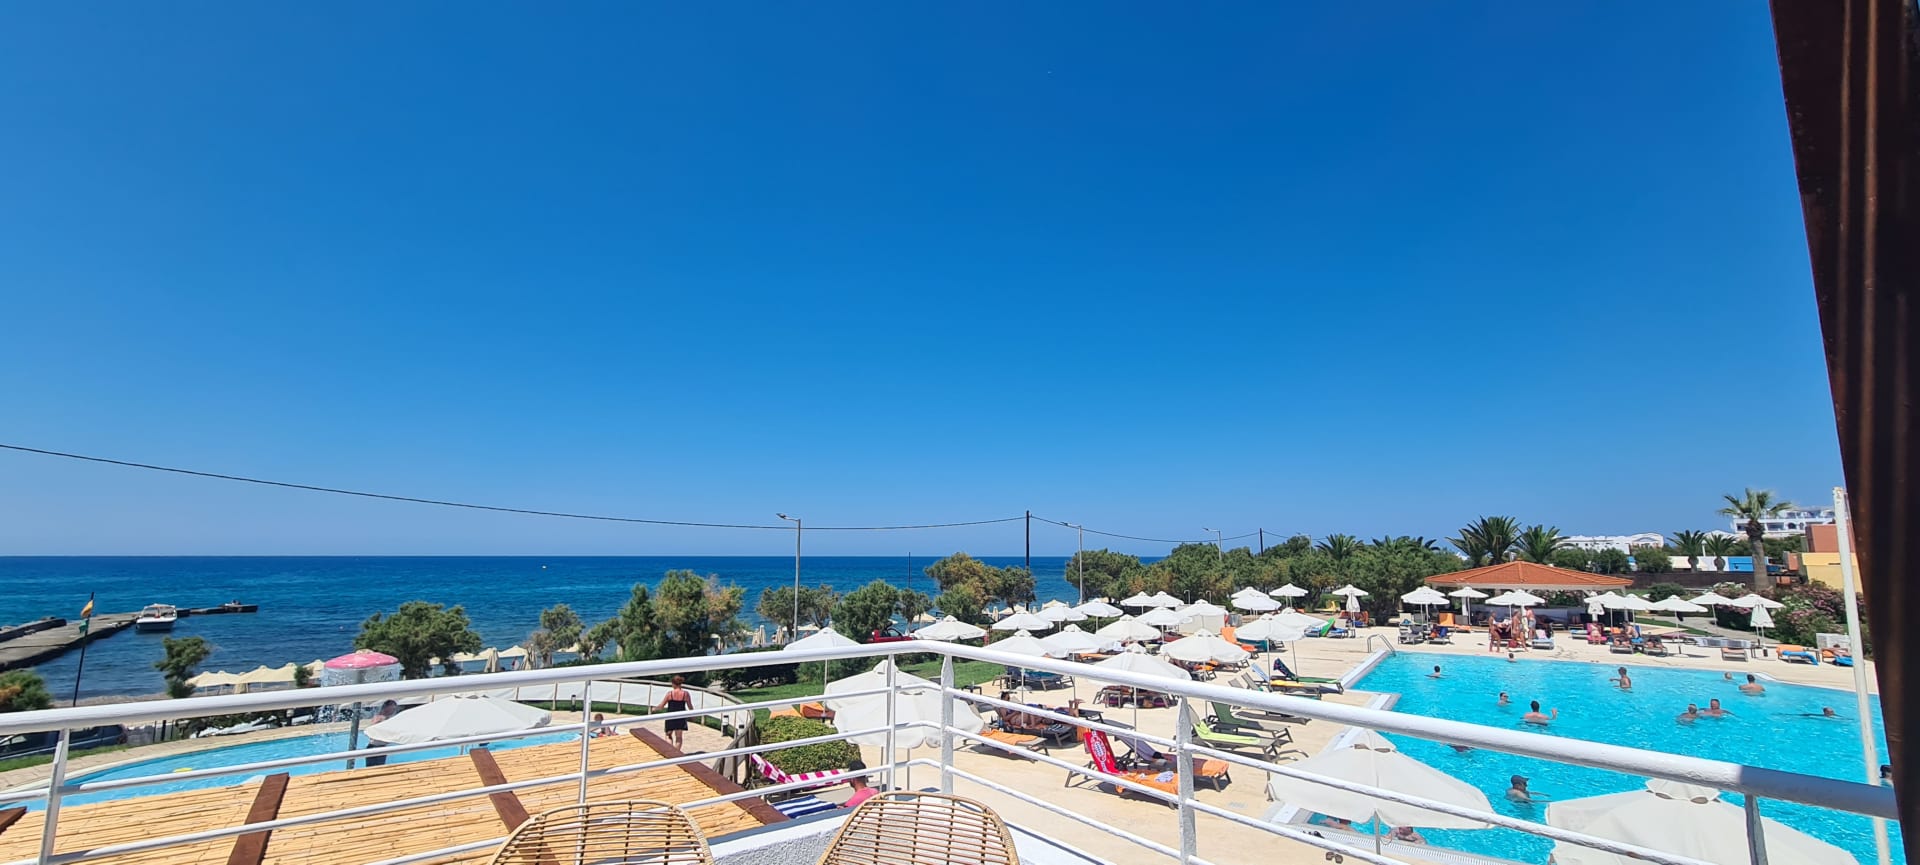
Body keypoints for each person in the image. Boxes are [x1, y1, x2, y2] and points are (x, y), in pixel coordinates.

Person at [655, 675, 693, 750]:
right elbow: (690, 706)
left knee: (668, 735)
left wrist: (654, 709)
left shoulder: (670, 694)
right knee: (679, 737)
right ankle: (676, 753)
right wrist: (693, 715)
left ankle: (671, 752)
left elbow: (661, 706)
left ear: (673, 683)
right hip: (681, 716)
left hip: (671, 716)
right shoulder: (685, 694)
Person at [363, 700, 399, 767]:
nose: (393, 710)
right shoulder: (379, 717)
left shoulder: (388, 719)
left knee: (380, 766)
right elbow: (372, 728)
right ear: (386, 708)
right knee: (371, 767)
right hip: (374, 747)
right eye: (392, 708)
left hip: (382, 747)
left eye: (394, 709)